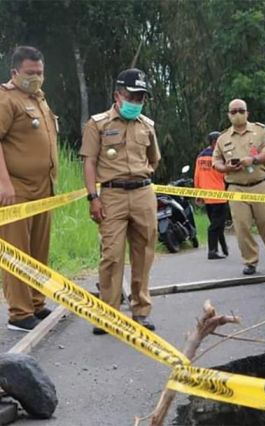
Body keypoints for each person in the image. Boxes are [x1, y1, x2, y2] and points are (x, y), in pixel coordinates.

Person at [80, 68, 160, 334]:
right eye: (132, 96)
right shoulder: (98, 124)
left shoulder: (147, 125)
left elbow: (154, 159)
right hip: (112, 195)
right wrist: (94, 197)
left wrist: (141, 178)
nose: (136, 102)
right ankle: (108, 315)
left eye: (141, 98)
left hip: (143, 193)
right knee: (112, 256)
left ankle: (141, 310)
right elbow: (89, 162)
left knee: (144, 254)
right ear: (118, 95)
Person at [0, 46, 58, 332]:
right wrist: (3, 182)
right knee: (16, 253)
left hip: (43, 188)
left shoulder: (39, 99)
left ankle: (36, 302)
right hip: (16, 190)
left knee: (38, 250)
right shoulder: (6, 99)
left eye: (40, 72)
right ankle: (19, 313)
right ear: (14, 72)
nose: (36, 77)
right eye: (30, 73)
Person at [212, 99, 265, 275]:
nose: (237, 114)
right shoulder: (223, 138)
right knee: (242, 226)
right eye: (233, 112)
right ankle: (250, 262)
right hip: (236, 187)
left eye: (241, 110)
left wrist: (252, 160)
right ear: (228, 115)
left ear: (247, 113)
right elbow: (215, 161)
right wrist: (226, 168)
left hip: (261, 184)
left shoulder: (260, 131)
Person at [194, 131, 229, 259]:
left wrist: (198, 194)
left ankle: (224, 248)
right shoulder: (219, 158)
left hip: (206, 196)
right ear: (215, 142)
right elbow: (225, 175)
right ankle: (212, 251)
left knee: (217, 224)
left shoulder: (201, 156)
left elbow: (197, 176)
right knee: (216, 225)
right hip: (219, 196)